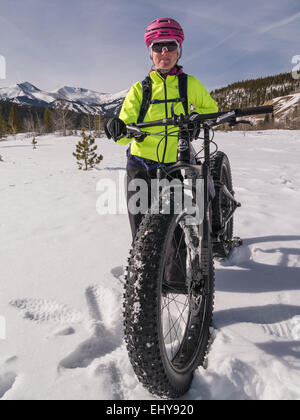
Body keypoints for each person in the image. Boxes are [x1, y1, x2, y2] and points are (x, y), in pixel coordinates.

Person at [105, 17, 218, 241]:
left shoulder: (189, 84)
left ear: (179, 50)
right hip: (140, 167)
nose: (164, 52)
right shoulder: (140, 90)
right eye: (158, 46)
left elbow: (211, 108)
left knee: (173, 236)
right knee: (142, 237)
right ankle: (144, 276)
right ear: (150, 51)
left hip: (173, 166)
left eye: (171, 45)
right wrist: (118, 127)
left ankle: (174, 278)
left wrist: (195, 118)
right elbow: (123, 131)